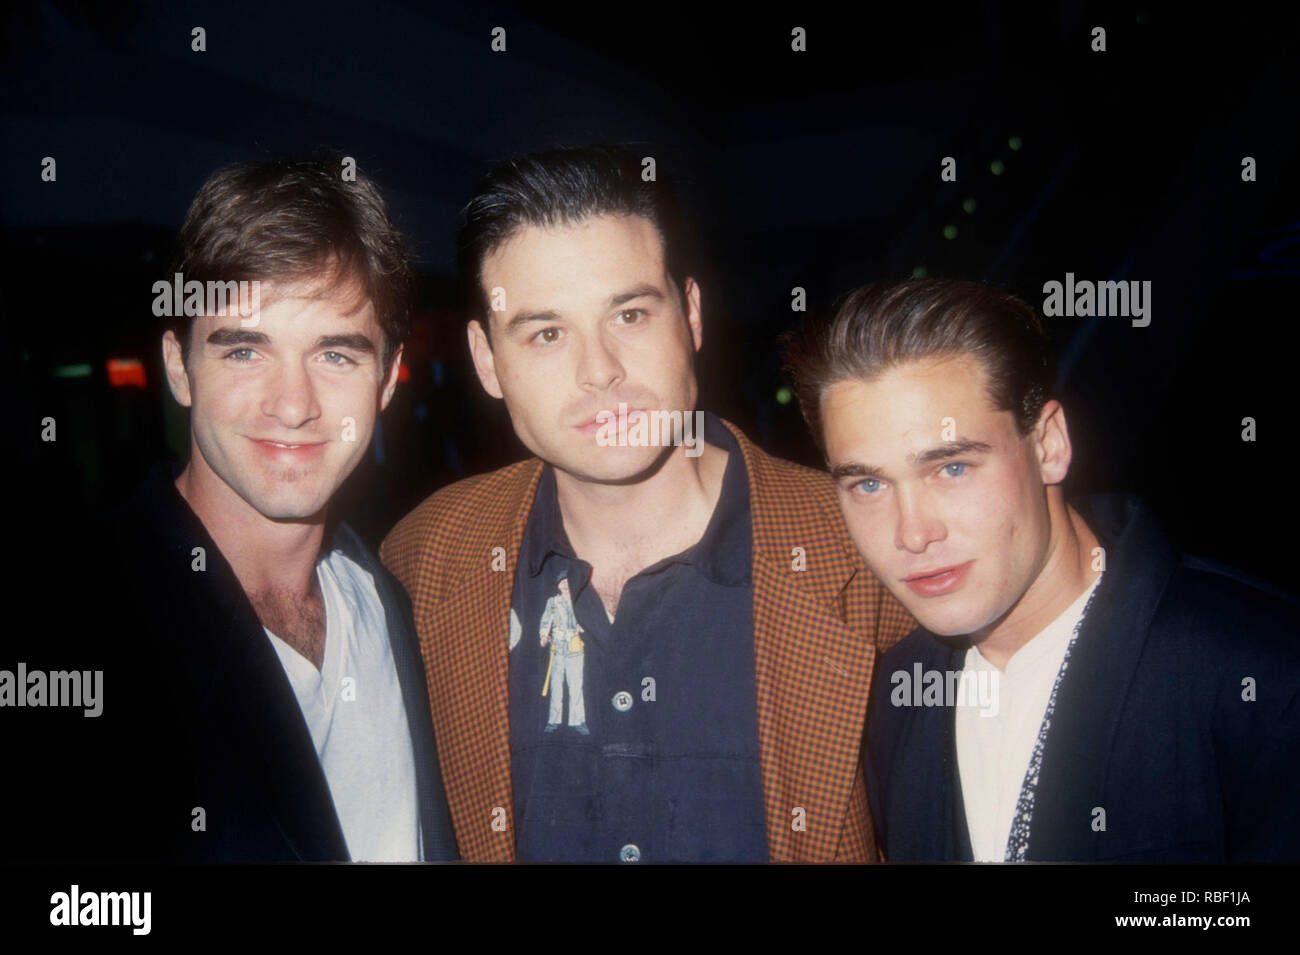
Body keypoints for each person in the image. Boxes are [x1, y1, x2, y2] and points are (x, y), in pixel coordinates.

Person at [380, 144, 914, 862]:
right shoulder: (424, 560)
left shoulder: (869, 545)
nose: (599, 371)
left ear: (690, 315)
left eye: (629, 314)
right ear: (487, 361)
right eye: (545, 333)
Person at [784, 277, 1300, 861]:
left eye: (952, 468)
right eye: (869, 484)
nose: (912, 532)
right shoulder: (894, 699)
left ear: (1049, 444)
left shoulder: (1259, 673)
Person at [96, 155, 457, 862]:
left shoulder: (389, 598)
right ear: (179, 366)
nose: (292, 405)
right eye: (244, 352)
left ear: (386, 380)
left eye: (335, 355)